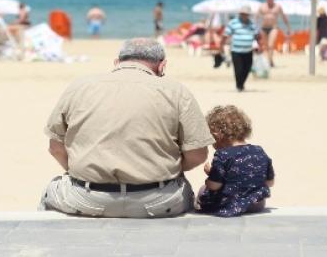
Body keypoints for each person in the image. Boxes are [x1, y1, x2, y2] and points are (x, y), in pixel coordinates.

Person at [39, 38, 213, 218]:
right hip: (159, 200)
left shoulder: (79, 86)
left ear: (116, 63)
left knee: (51, 190)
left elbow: (55, 149)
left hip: (87, 198)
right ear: (162, 66)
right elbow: (198, 154)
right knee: (188, 193)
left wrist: (83, 171)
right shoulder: (177, 92)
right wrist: (167, 169)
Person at [195, 105, 275, 217]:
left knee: (203, 189)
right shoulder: (259, 151)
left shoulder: (222, 155)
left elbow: (214, 186)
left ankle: (200, 205)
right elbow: (269, 183)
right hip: (257, 204)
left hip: (230, 203)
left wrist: (210, 175)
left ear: (217, 137)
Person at [220, 6, 257, 92]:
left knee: (247, 68)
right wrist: (221, 48)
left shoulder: (251, 24)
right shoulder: (233, 23)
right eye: (243, 14)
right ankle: (240, 86)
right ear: (240, 14)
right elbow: (225, 35)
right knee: (238, 69)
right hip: (236, 50)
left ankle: (241, 84)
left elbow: (256, 36)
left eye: (246, 14)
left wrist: (259, 47)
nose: (245, 16)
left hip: (248, 50)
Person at [253, 0, 291, 67]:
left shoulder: (277, 7)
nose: (269, 0)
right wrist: (253, 26)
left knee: (270, 45)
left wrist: (288, 27)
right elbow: (256, 16)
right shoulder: (262, 6)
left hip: (274, 27)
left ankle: (269, 63)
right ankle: (271, 61)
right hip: (264, 28)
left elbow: (283, 17)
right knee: (267, 46)